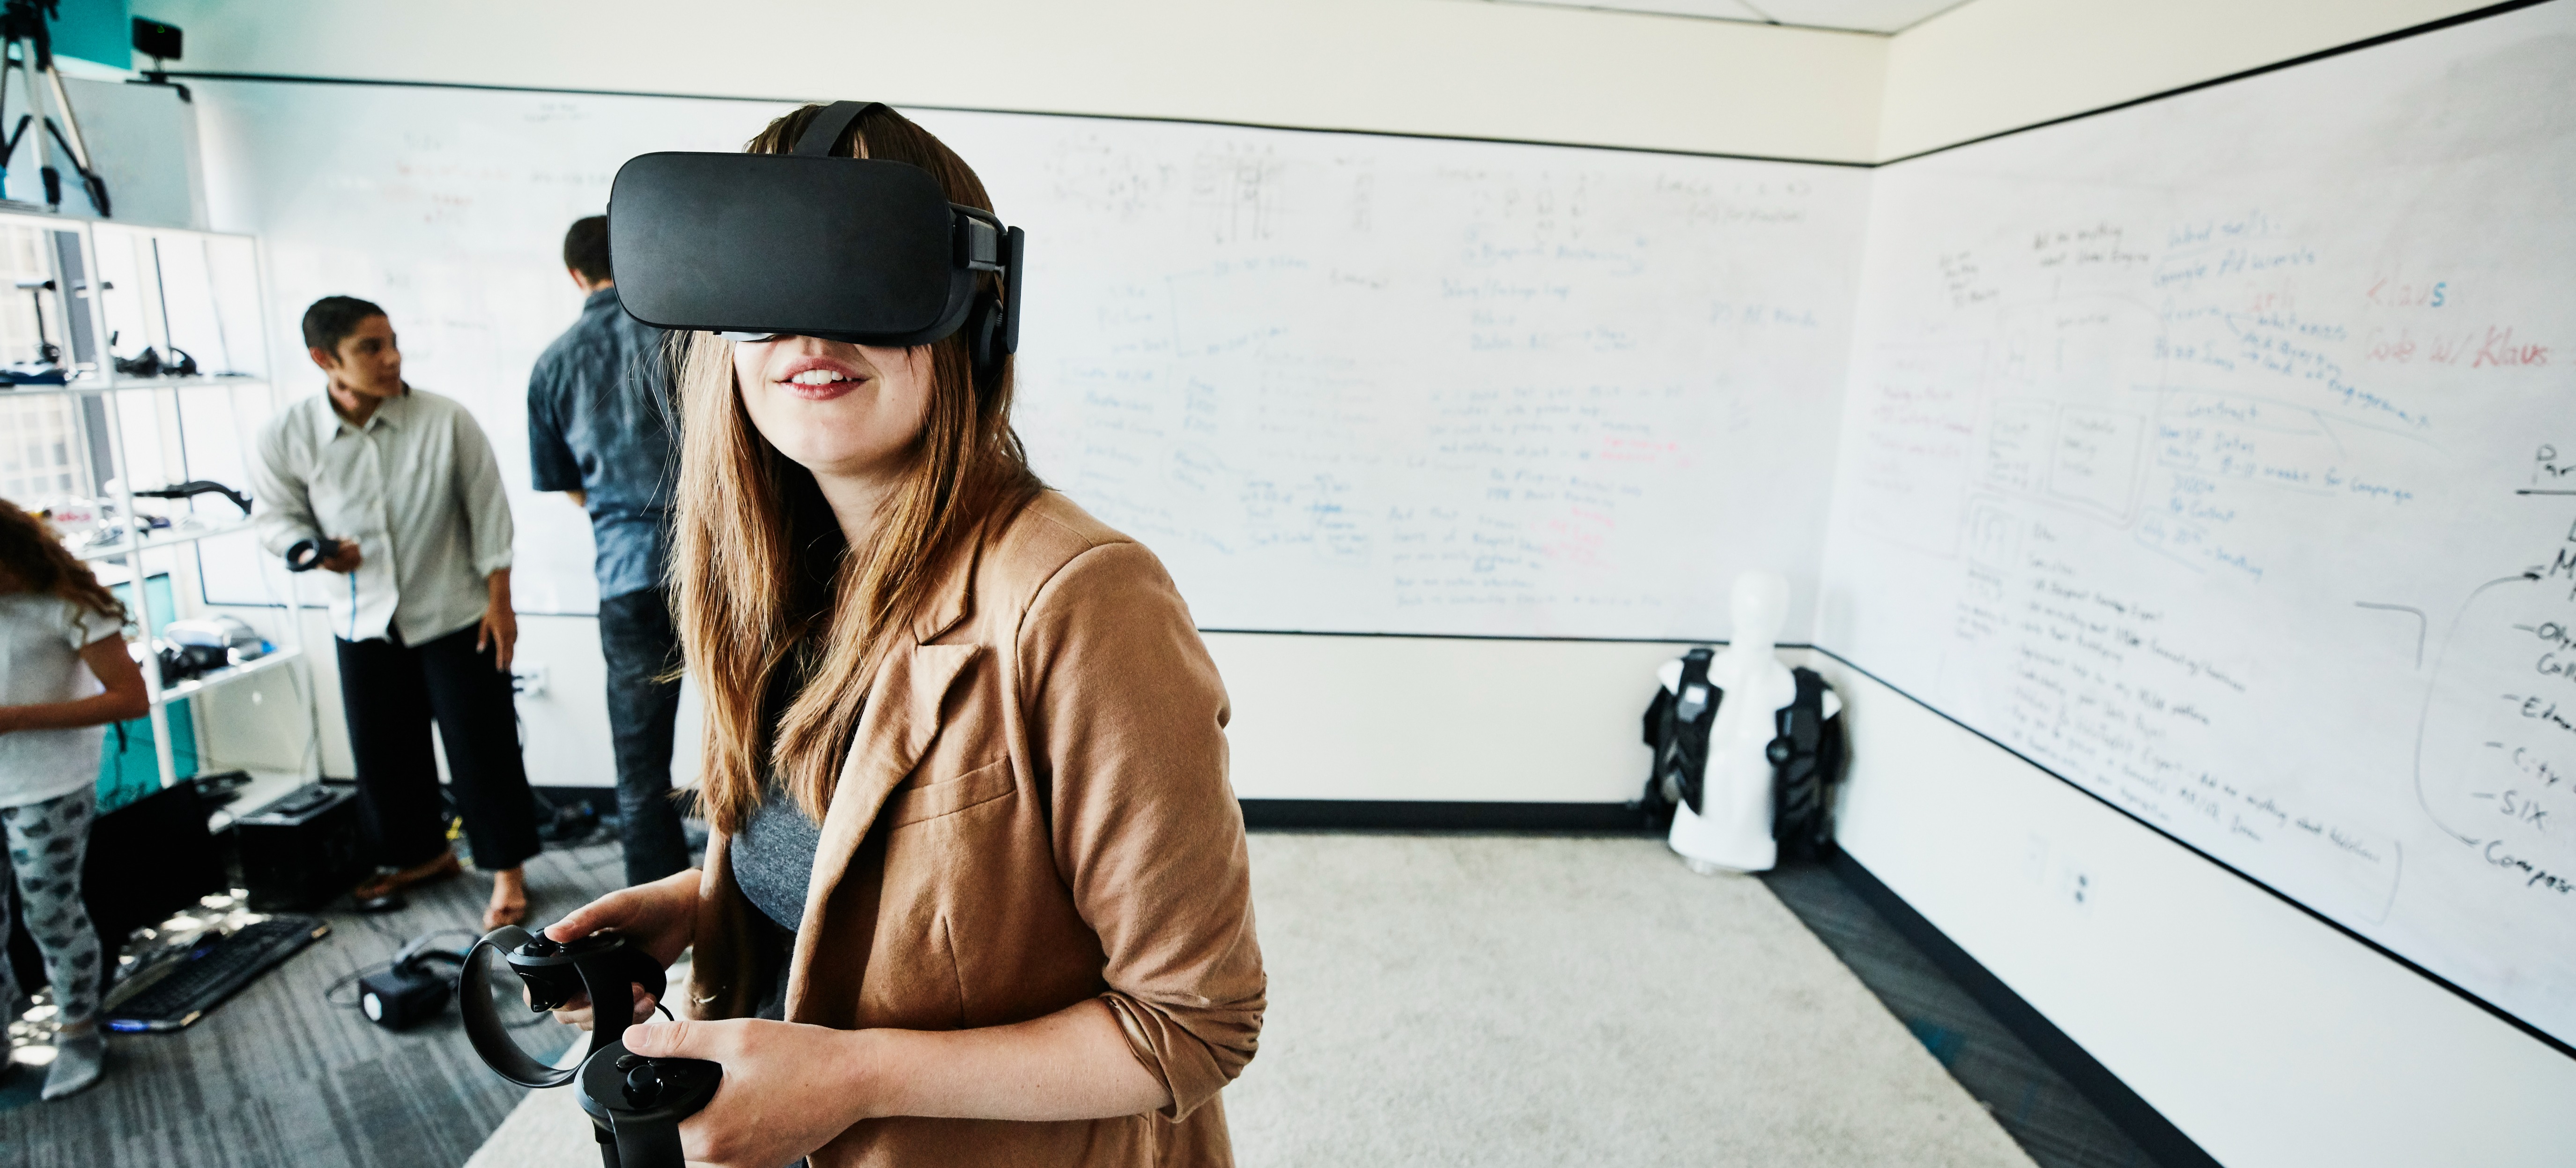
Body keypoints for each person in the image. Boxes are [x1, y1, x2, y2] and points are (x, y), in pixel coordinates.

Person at [540, 104, 1265, 1168]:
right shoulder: (781, 581)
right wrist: (705, 903)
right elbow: (873, 874)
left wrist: (853, 1077)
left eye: (862, 266)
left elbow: (1195, 1020)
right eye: (765, 275)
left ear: (973, 314)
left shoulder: (1083, 600)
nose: (808, 326)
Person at [248, 296, 542, 931]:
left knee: (481, 747)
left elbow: (489, 511)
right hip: (361, 620)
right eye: (371, 349)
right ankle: (424, 856)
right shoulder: (287, 435)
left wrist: (502, 602)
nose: (391, 358)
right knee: (385, 753)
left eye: (392, 342)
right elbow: (275, 517)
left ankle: (507, 872)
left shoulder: (445, 420)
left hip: (456, 613)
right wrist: (312, 553)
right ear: (324, 360)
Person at [527, 215, 690, 886]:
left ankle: (657, 906)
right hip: (721, 565)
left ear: (575, 275)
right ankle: (768, 899)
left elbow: (566, 486)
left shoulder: (553, 363)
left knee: (640, 760)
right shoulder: (688, 339)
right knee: (762, 736)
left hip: (627, 577)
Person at [0, 497, 146, 1100]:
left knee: (51, 915)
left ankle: (79, 1031)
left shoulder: (69, 604)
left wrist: (14, 720)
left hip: (48, 785)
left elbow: (129, 698)